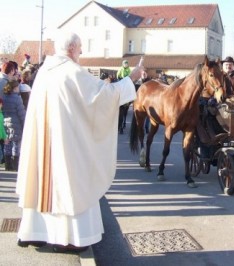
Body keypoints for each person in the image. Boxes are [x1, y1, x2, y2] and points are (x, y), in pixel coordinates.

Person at [15, 31, 145, 252]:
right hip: (65, 144)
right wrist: (131, 77)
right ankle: (68, 240)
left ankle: (34, 233)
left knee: (41, 180)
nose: (82, 53)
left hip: (44, 142)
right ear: (73, 48)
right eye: (81, 48)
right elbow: (103, 97)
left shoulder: (45, 71)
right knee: (71, 183)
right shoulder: (71, 72)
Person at [2, 79, 25, 171]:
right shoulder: (17, 98)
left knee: (7, 144)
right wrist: (24, 124)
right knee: (16, 145)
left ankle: (8, 165)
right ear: (14, 88)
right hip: (16, 124)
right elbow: (21, 113)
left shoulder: (4, 97)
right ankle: (15, 165)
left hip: (5, 122)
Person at [117, 60, 132, 134]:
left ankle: (130, 100)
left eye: (127, 63)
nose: (126, 64)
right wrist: (120, 79)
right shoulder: (121, 69)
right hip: (121, 80)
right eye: (125, 63)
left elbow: (130, 75)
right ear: (123, 64)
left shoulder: (129, 69)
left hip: (127, 81)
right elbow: (118, 75)